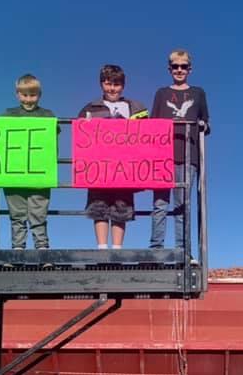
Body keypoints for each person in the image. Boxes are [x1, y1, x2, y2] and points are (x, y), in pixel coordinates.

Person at [79, 64, 148, 249]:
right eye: (108, 83)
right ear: (101, 84)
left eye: (116, 84)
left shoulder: (136, 107)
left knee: (121, 207)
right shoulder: (90, 108)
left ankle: (117, 249)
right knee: (99, 206)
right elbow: (80, 137)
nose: (112, 88)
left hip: (125, 168)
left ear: (123, 85)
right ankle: (102, 247)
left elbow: (148, 134)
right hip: (98, 168)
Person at [149, 49, 210, 251]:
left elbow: (206, 123)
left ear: (190, 69)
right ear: (169, 69)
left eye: (183, 66)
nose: (179, 70)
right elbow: (152, 125)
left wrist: (202, 125)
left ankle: (183, 251)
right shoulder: (161, 93)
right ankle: (156, 248)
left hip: (188, 156)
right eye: (175, 66)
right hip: (162, 156)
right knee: (160, 204)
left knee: (182, 205)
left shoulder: (198, 93)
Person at [3, 74, 55, 252]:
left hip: (39, 172)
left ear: (39, 95)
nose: (28, 99)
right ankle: (18, 248)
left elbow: (52, 138)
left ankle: (42, 248)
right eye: (24, 95)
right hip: (14, 173)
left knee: (38, 213)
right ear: (18, 95)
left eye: (32, 95)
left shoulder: (47, 116)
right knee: (16, 214)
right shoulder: (8, 115)